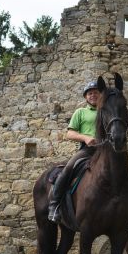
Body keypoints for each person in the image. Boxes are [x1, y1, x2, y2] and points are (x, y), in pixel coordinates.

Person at [48, 81, 100, 223]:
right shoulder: (80, 112)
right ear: (86, 97)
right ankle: (55, 205)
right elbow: (70, 134)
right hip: (87, 150)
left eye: (96, 92)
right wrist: (85, 137)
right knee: (68, 168)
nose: (93, 95)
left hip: (105, 151)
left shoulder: (107, 111)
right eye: (90, 93)